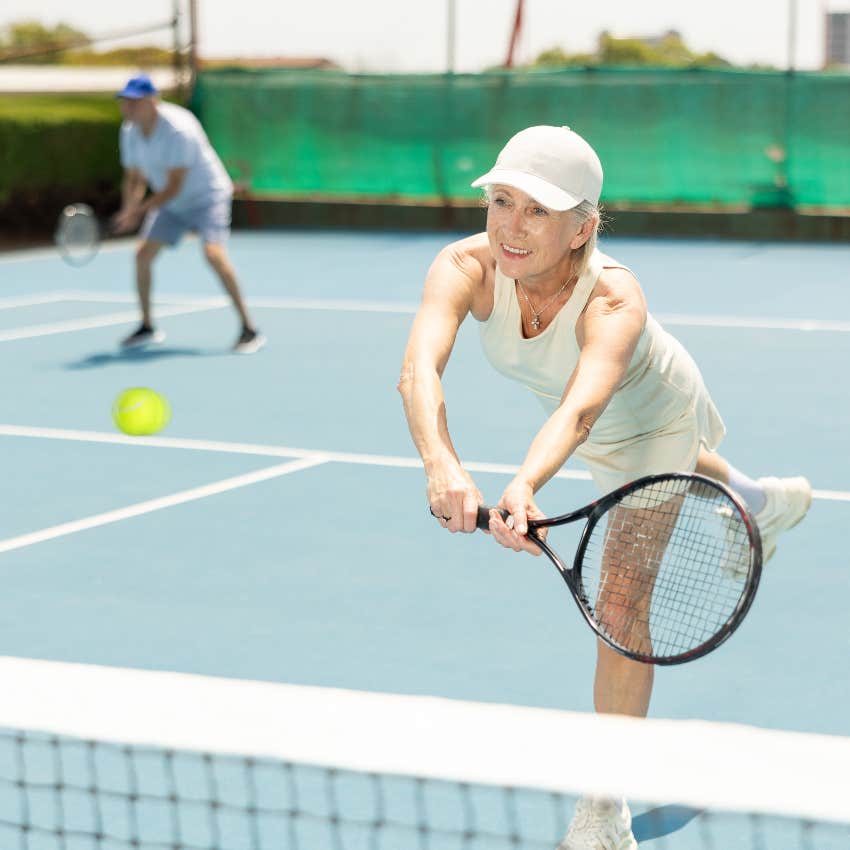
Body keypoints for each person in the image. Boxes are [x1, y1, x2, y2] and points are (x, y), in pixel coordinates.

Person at [397, 125, 811, 850]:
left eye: (538, 211)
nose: (510, 227)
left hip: (652, 412)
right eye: (501, 201)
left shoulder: (614, 299)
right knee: (687, 473)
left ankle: (604, 805)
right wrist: (442, 464)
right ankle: (765, 502)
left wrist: (523, 486)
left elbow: (581, 411)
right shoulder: (464, 265)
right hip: (590, 423)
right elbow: (419, 371)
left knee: (621, 603)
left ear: (584, 227)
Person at [111, 74, 265, 354]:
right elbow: (134, 178)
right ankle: (147, 326)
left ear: (153, 102)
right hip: (171, 204)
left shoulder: (178, 129)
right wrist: (127, 209)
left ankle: (249, 328)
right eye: (125, 102)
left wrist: (138, 212)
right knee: (142, 255)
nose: (128, 108)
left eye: (135, 102)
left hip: (207, 197)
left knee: (213, 255)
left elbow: (173, 185)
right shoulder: (129, 131)